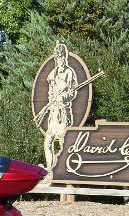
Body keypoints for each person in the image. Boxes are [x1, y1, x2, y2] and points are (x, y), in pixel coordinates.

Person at [44, 42, 78, 170]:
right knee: (48, 140)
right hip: (54, 112)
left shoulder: (69, 73)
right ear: (56, 59)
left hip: (64, 111)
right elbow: (50, 92)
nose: (62, 60)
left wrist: (65, 97)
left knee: (63, 141)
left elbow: (74, 91)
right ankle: (50, 168)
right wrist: (52, 98)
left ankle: (63, 169)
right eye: (59, 57)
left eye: (63, 57)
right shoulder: (52, 75)